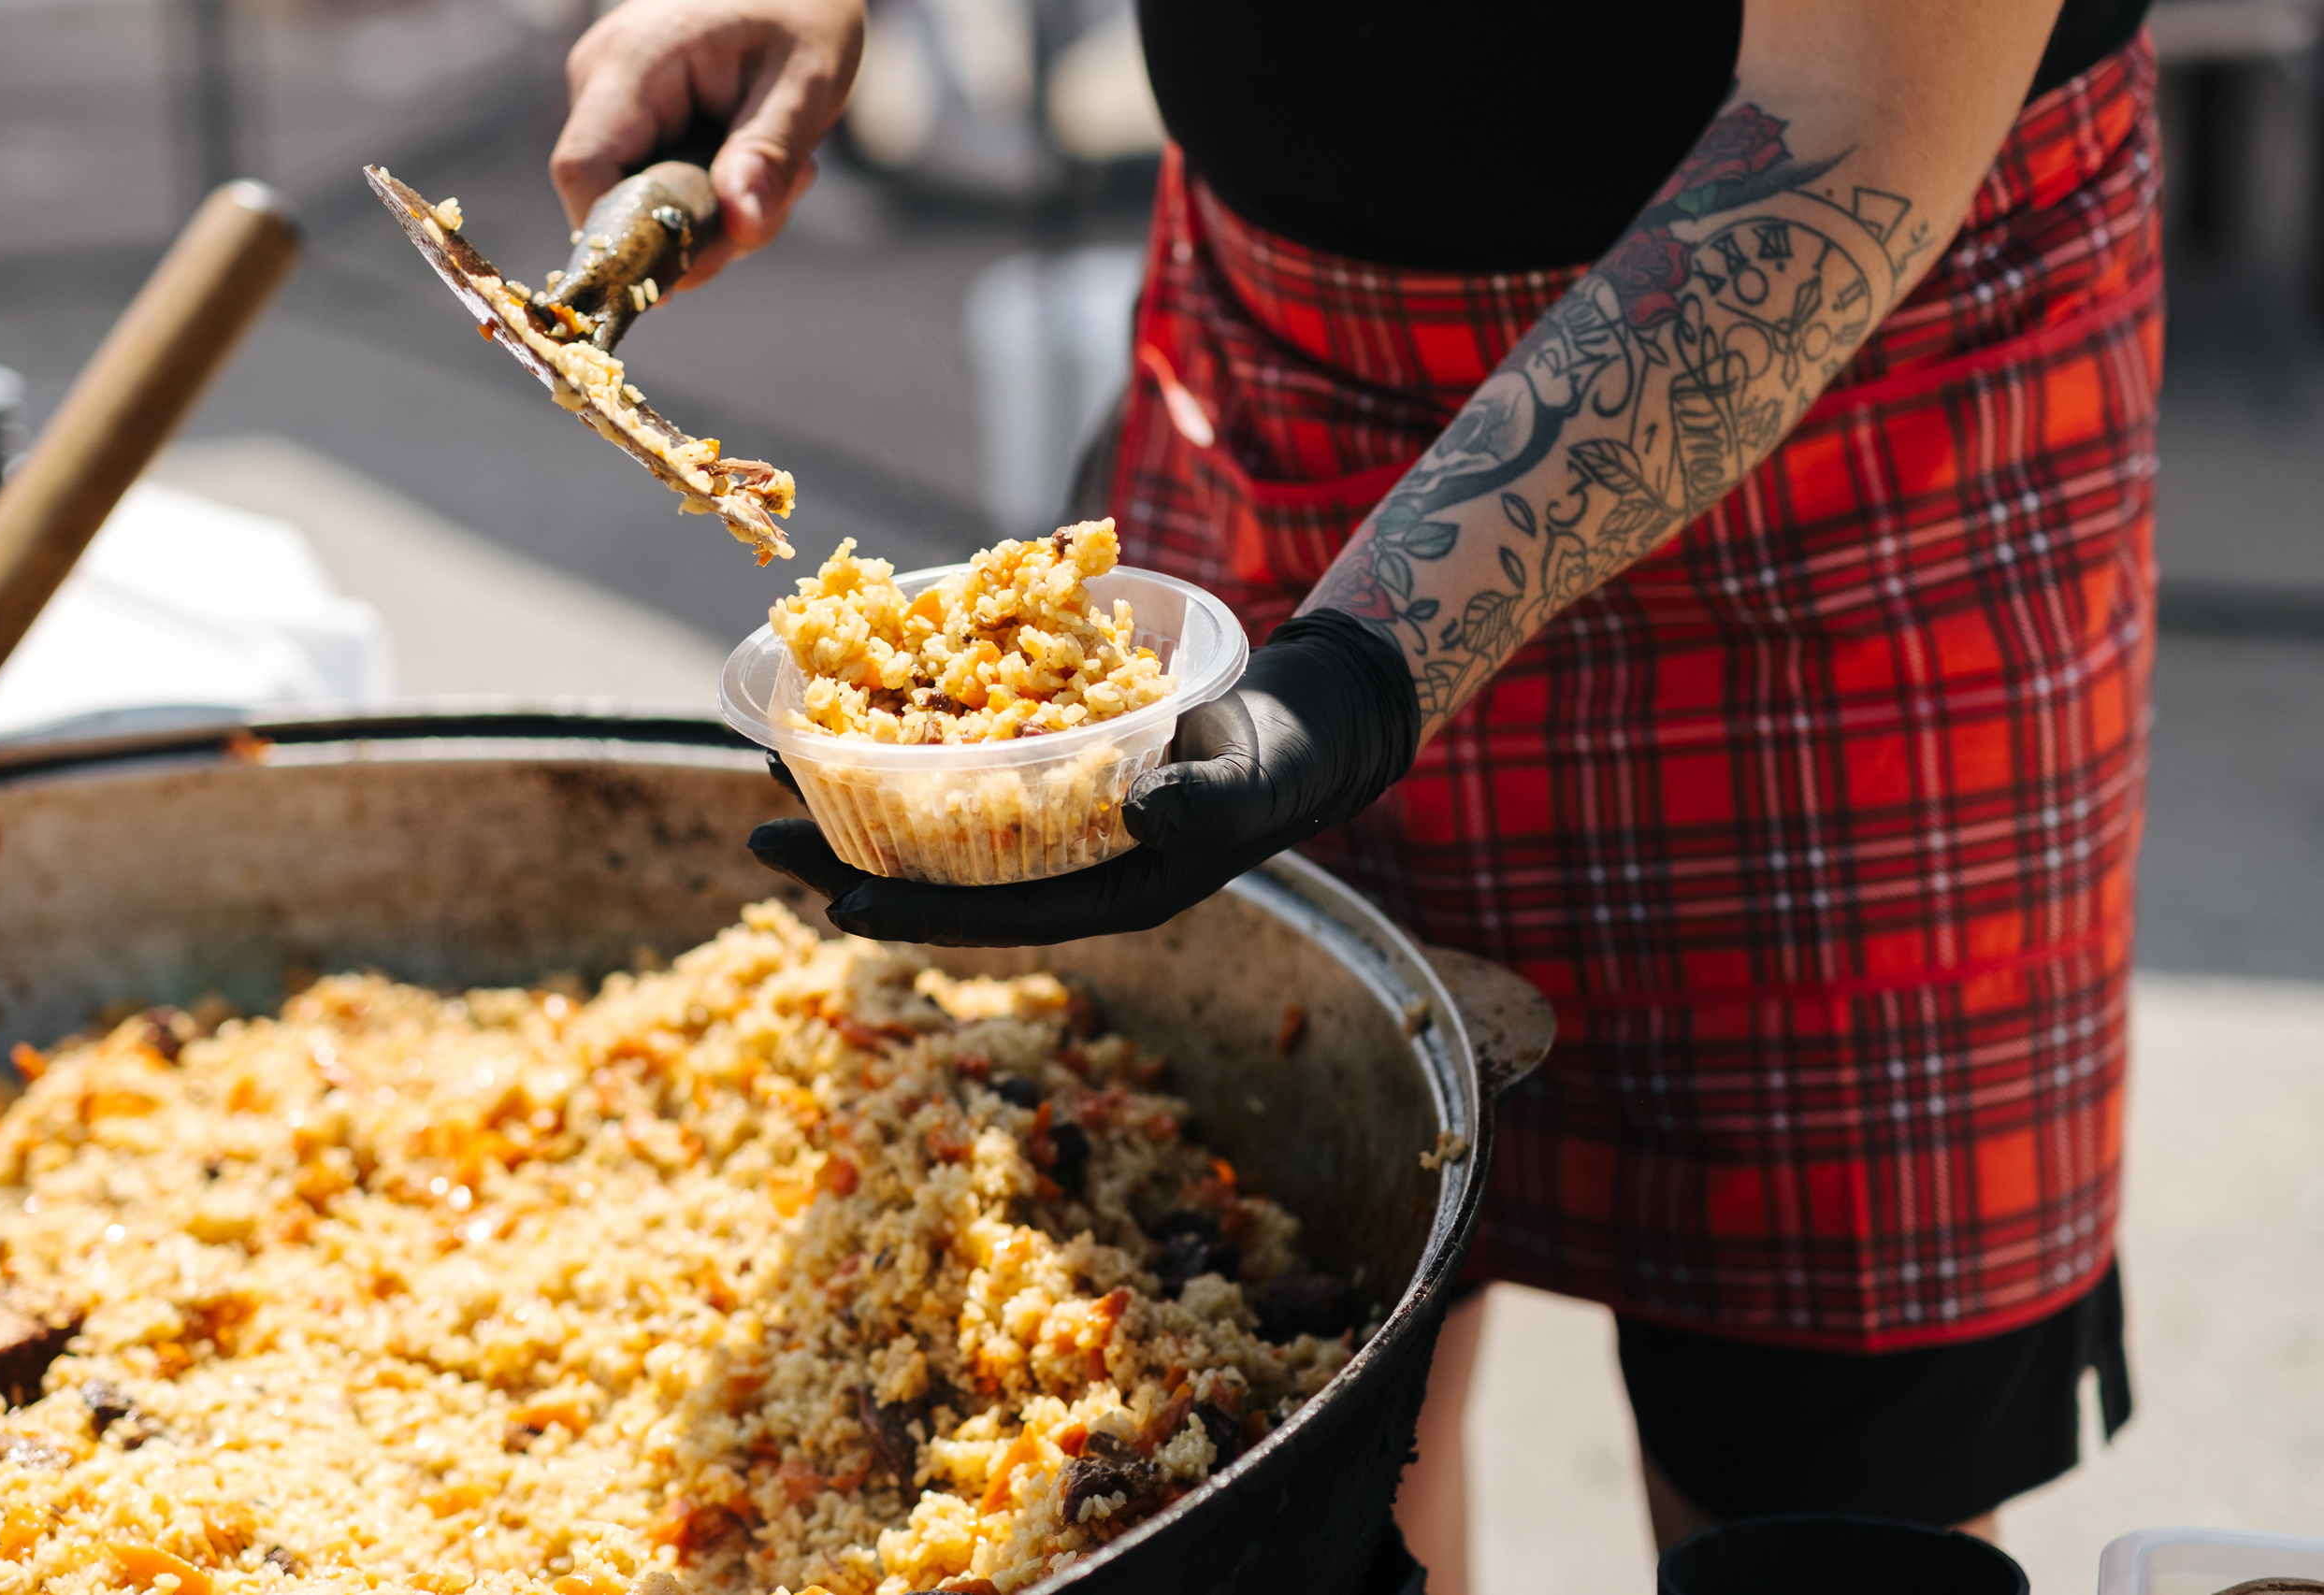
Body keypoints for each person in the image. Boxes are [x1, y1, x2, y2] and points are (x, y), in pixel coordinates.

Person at [555, 0, 2159, 1579]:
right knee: (1320, 1372)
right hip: (1292, 382)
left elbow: (1854, 123)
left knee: (1819, 1478)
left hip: (1856, 423)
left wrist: (1366, 668)